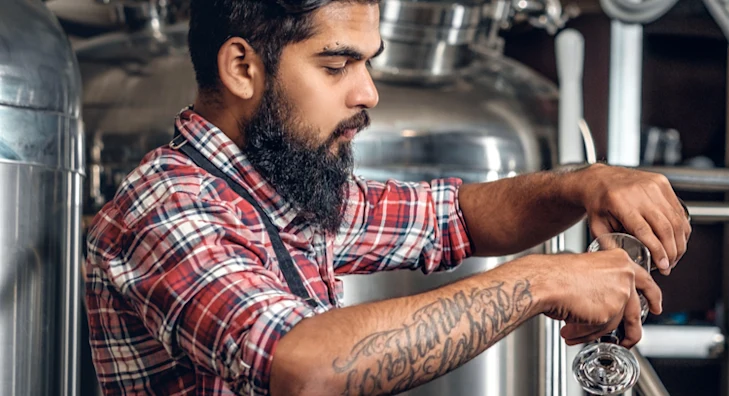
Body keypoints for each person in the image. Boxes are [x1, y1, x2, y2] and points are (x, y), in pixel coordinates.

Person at [82, 0, 691, 394]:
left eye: (368, 64)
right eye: (336, 65)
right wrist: (540, 281)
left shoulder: (280, 190)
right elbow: (302, 367)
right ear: (242, 67)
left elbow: (452, 219)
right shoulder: (168, 205)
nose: (368, 93)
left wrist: (582, 183)